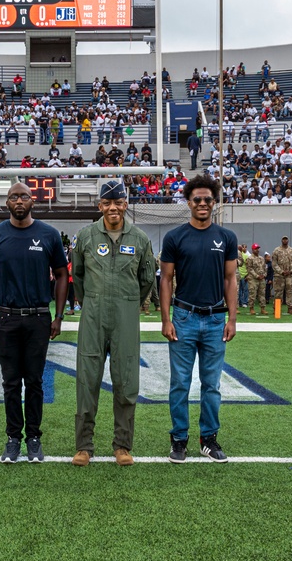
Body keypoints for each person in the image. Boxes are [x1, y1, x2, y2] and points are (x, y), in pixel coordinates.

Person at [0, 182, 69, 463]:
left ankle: (33, 437)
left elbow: (62, 274)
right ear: (6, 203)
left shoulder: (48, 234)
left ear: (33, 201)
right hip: (6, 317)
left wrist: (58, 316)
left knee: (35, 381)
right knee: (10, 383)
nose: (19, 201)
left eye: (24, 196)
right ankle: (12, 438)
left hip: (38, 317)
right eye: (13, 197)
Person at [71, 180, 155, 466]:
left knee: (126, 381)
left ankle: (122, 445)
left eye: (118, 202)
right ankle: (84, 446)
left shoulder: (141, 239)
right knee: (87, 380)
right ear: (100, 206)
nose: (113, 208)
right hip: (93, 314)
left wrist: (127, 301)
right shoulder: (85, 236)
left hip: (126, 315)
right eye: (107, 203)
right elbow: (78, 278)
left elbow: (147, 281)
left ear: (125, 204)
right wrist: (91, 301)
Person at [159, 174, 238, 463]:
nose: (202, 203)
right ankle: (179, 438)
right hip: (184, 316)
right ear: (189, 202)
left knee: (212, 384)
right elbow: (166, 280)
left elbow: (231, 279)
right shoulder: (175, 237)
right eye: (197, 199)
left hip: (216, 319)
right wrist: (166, 319)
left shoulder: (226, 237)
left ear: (214, 202)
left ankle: (209, 439)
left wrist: (232, 318)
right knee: (180, 382)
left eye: (207, 199)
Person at [272, 236, 292, 314]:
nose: (285, 240)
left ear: (288, 240)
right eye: (283, 239)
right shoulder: (276, 250)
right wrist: (281, 271)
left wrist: (291, 271)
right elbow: (274, 263)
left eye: (286, 239)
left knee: (289, 292)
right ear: (281, 240)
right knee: (278, 292)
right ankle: (277, 308)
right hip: (279, 275)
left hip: (290, 276)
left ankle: (290, 308)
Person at [245, 244, 267, 315]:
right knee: (252, 294)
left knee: (262, 294)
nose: (257, 250)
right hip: (253, 279)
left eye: (258, 248)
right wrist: (257, 276)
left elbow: (265, 268)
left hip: (262, 279)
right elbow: (249, 269)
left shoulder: (262, 258)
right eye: (256, 249)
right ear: (252, 250)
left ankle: (262, 308)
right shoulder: (250, 258)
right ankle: (251, 308)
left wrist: (264, 275)